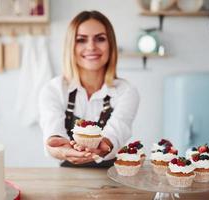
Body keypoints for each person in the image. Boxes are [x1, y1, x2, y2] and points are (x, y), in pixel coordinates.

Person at [39, 10, 140, 167]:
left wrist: (104, 145)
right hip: (67, 178)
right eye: (81, 40)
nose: (91, 47)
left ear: (111, 45)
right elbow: (52, 133)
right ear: (71, 46)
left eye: (100, 39)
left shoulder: (126, 91)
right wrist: (57, 146)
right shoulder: (54, 89)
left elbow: (116, 133)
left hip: (111, 178)